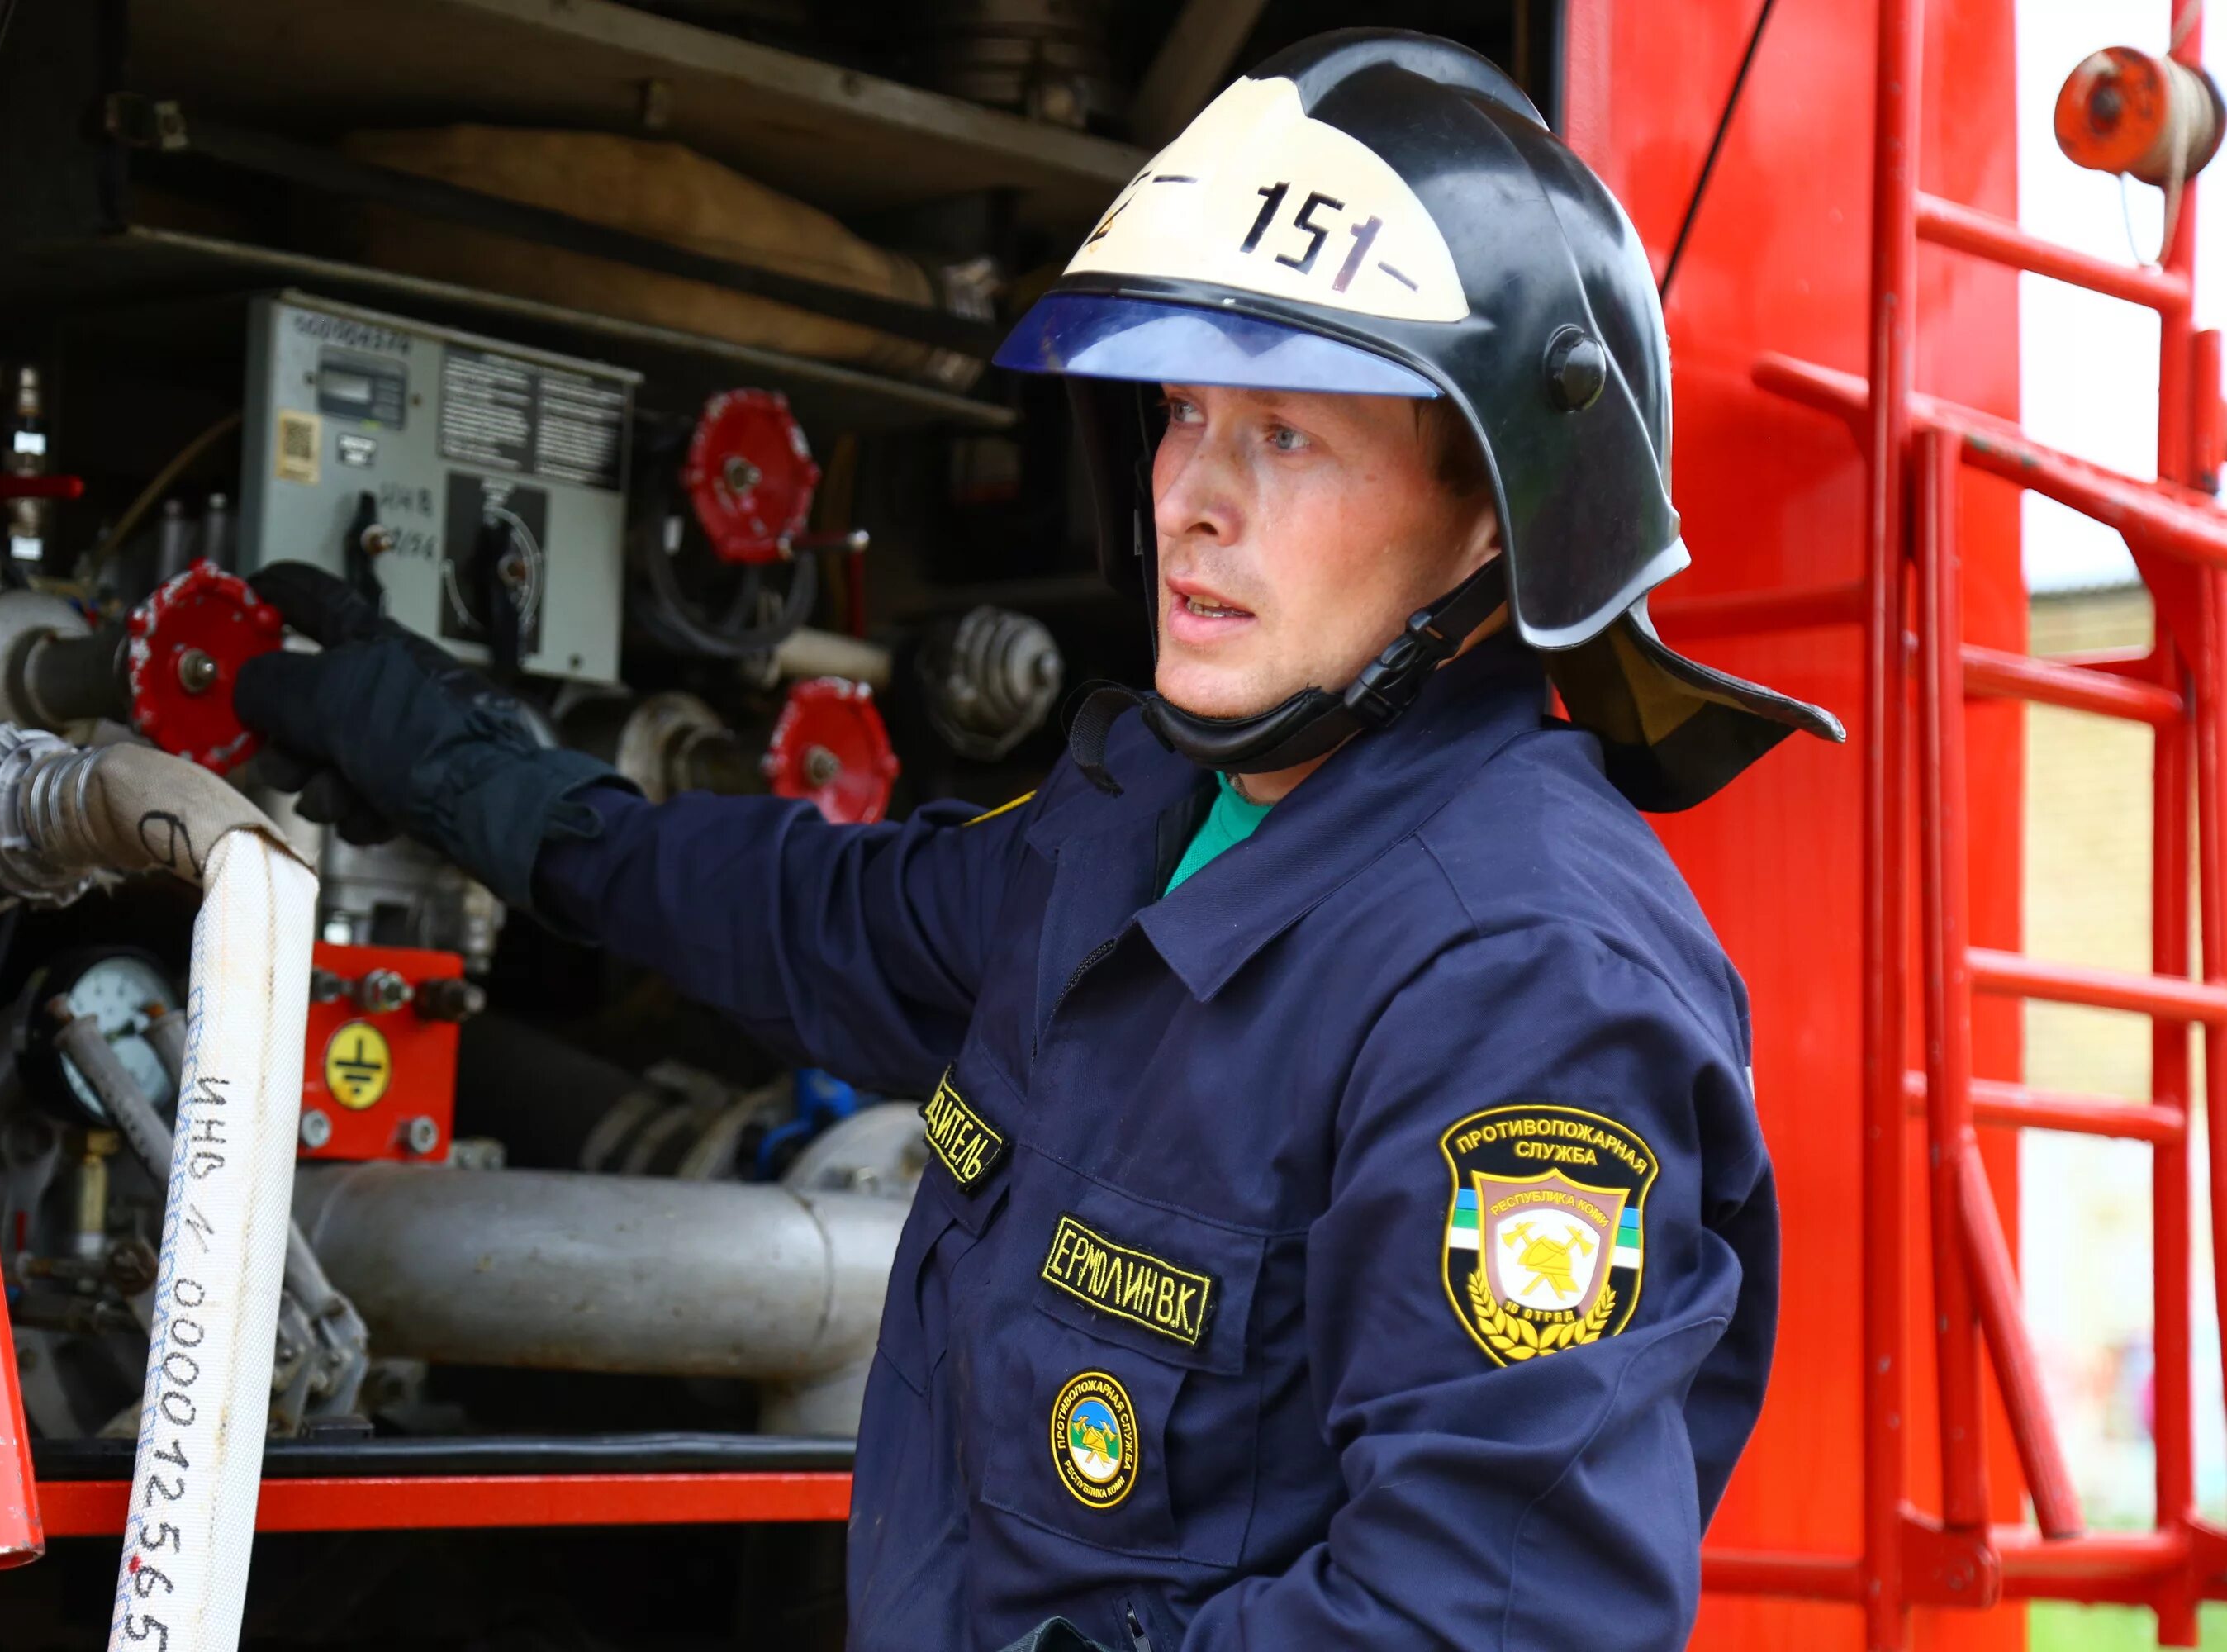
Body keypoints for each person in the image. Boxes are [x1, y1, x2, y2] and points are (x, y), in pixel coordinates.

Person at [235, 31, 1843, 1652]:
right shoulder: (1144, 816)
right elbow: (825, 918)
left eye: (1286, 437)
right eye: (1182, 413)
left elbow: (1486, 1623)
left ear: (1496, 509)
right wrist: (488, 787)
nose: (1189, 500)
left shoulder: (1524, 985)